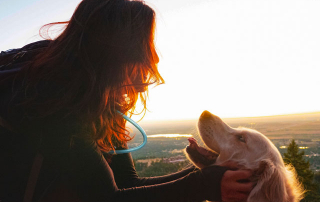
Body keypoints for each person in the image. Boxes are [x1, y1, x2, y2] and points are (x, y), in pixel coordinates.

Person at [0, 0, 253, 201]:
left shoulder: (101, 101)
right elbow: (104, 198)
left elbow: (127, 183)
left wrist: (210, 171)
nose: (153, 59)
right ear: (113, 54)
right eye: (144, 47)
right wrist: (205, 185)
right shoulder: (51, 102)